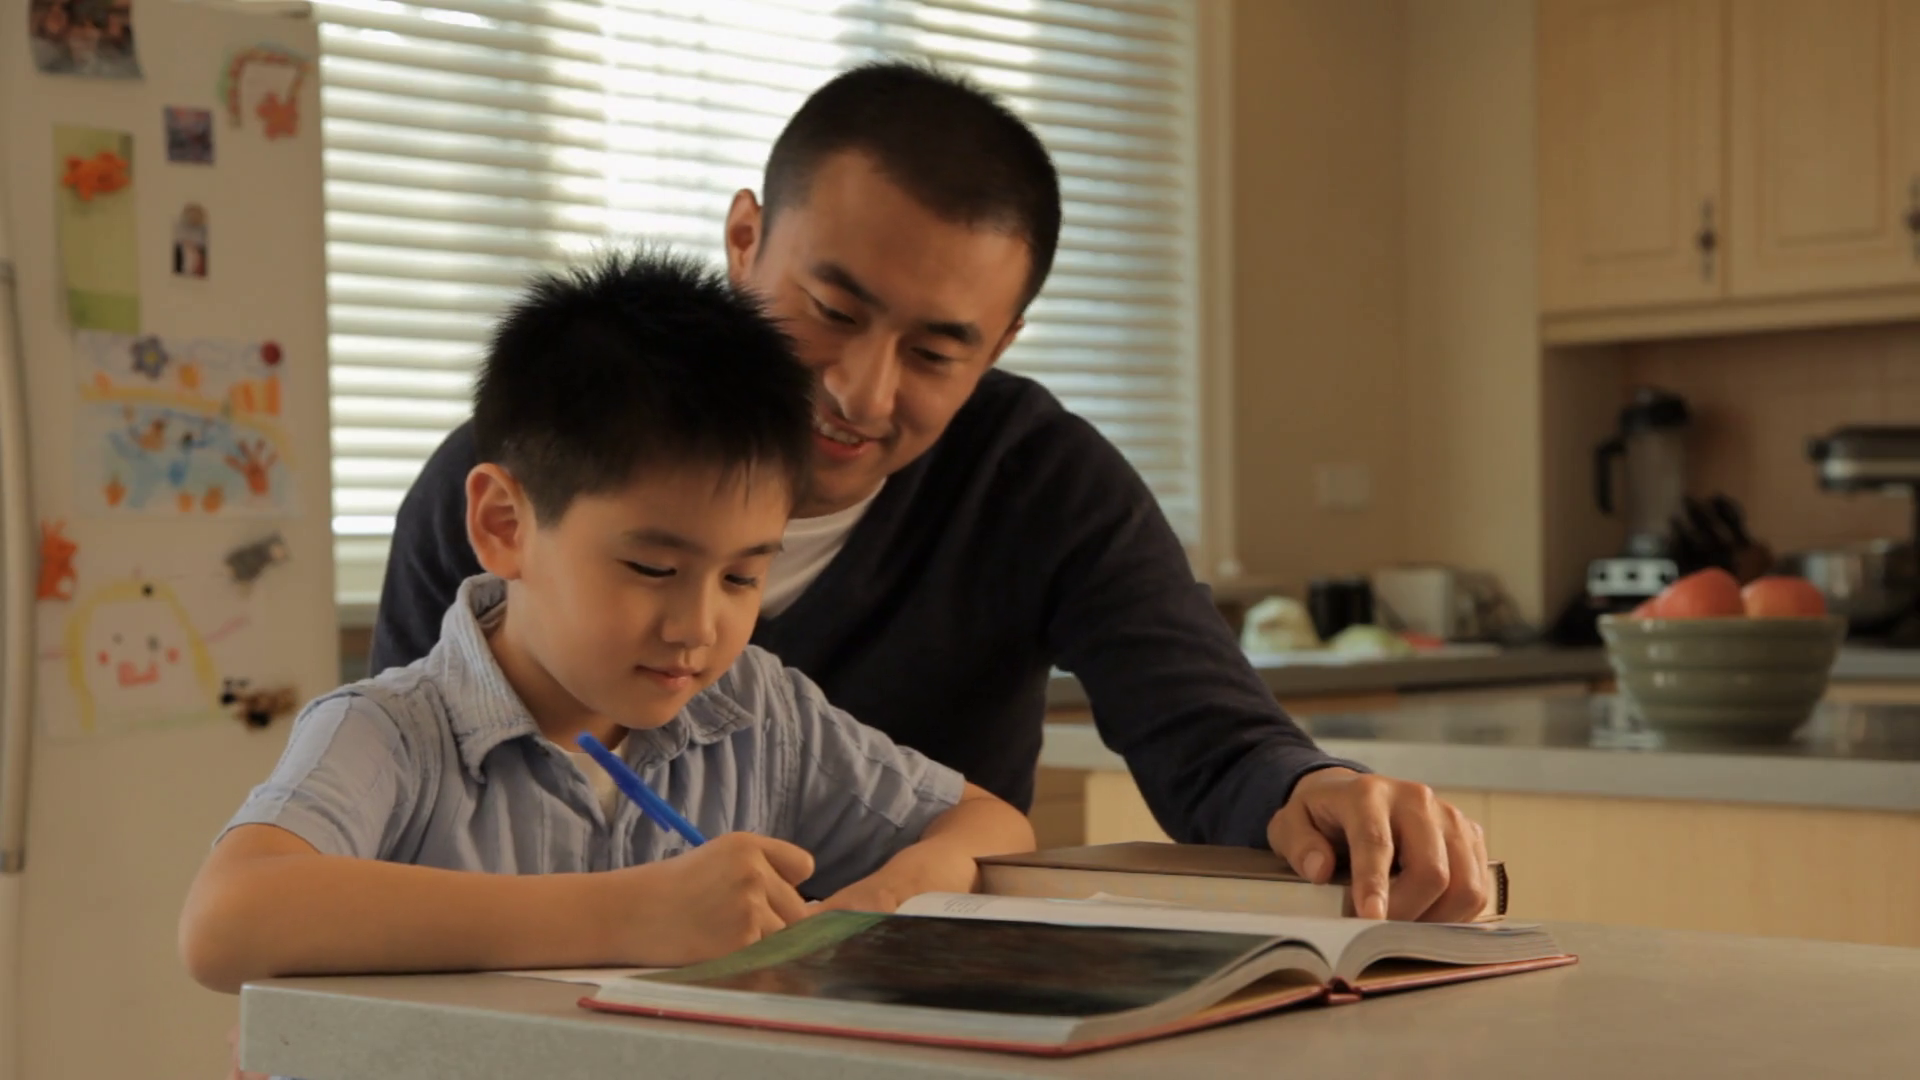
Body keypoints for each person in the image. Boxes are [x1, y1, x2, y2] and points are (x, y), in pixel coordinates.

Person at [373, 61, 1492, 924]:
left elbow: (1211, 742)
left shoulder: (1038, 481)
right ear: (745, 242)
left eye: (937, 352)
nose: (860, 392)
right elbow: (398, 811)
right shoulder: (539, 472)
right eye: (833, 311)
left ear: (1000, 343)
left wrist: (1313, 792)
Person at [179, 250, 1035, 996]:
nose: (697, 626)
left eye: (742, 576)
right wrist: (631, 914)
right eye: (653, 569)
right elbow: (226, 922)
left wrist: (883, 899)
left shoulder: (755, 715)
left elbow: (992, 826)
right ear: (505, 525)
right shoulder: (394, 734)